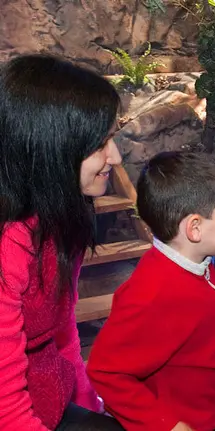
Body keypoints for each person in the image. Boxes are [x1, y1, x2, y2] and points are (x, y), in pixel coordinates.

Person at [87, 152, 215, 431]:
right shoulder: (152, 295)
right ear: (194, 228)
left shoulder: (199, 260)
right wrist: (165, 425)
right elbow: (105, 371)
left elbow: (199, 333)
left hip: (212, 409)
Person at [0, 54, 123, 430]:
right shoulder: (9, 246)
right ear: (51, 146)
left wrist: (90, 403)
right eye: (100, 143)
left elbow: (63, 330)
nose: (115, 157)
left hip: (51, 401)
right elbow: (6, 407)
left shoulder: (62, 218)